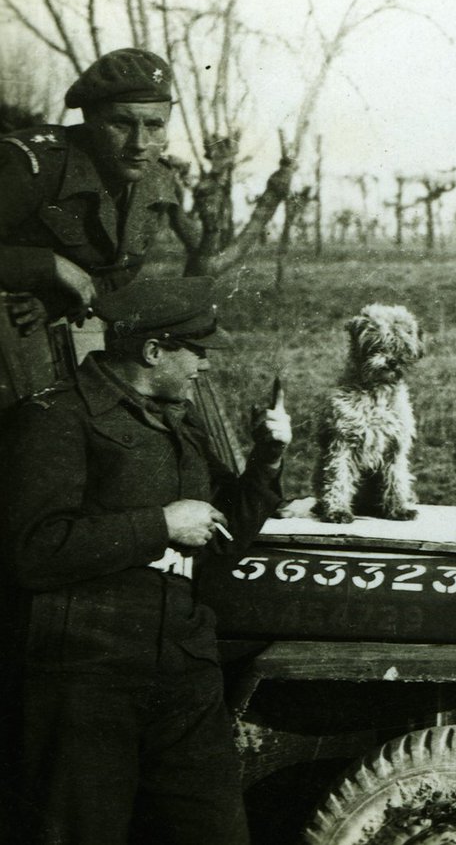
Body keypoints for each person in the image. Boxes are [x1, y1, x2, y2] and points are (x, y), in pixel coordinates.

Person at [0, 276, 291, 845]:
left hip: (182, 675)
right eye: (197, 352)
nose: (205, 367)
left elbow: (221, 538)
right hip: (86, 682)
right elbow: (31, 551)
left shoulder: (179, 422)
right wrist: (159, 524)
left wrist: (267, 462)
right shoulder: (54, 419)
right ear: (153, 351)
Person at [0, 47, 189, 409]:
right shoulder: (33, 165)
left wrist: (52, 300)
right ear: (90, 120)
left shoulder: (156, 182)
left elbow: (119, 273)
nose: (139, 144)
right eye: (121, 124)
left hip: (51, 334)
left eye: (154, 126)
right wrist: (51, 267)